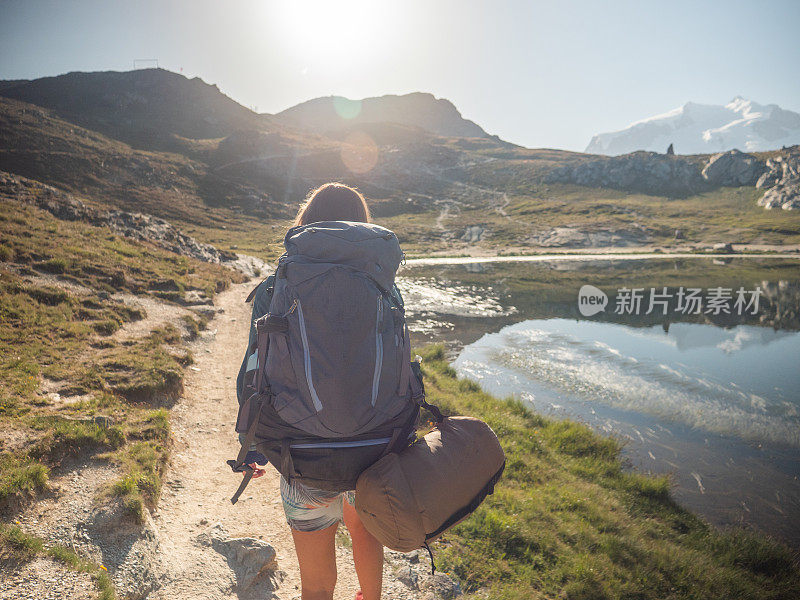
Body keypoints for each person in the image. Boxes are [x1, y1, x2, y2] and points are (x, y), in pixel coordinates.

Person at [241, 183, 386, 600]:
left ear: (305, 223)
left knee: (317, 587)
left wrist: (250, 445)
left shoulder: (277, 285)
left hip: (300, 451)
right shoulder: (381, 284)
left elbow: (255, 367)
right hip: (373, 450)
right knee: (365, 531)